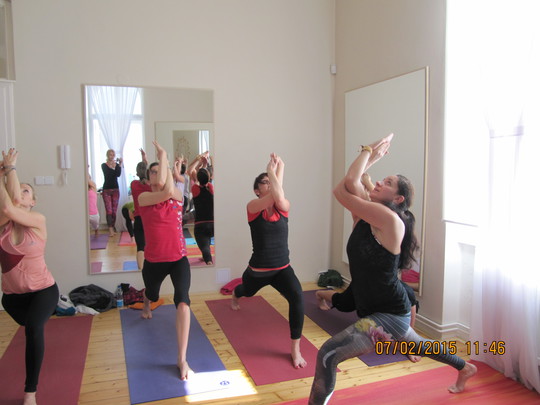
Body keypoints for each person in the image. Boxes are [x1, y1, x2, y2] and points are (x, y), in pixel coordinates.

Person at [308, 134, 476, 404]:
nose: (377, 183)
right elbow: (343, 188)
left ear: (398, 198)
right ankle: (464, 367)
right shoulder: (366, 214)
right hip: (377, 306)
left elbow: (348, 183)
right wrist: (370, 157)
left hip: (388, 313)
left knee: (327, 354)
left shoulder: (390, 220)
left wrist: (368, 151)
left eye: (386, 183)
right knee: (418, 344)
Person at [231, 153, 306, 369]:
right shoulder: (253, 207)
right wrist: (274, 171)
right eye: (265, 182)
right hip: (258, 271)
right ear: (257, 190)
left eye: (270, 180)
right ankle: (236, 294)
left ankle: (295, 348)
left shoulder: (283, 206)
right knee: (246, 291)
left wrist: (278, 168)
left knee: (297, 296)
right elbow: (274, 195)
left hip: (282, 269)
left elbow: (278, 195)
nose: (269, 183)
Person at [0, 148, 59, 405]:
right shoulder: (2, 223)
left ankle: (30, 393)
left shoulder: (37, 220)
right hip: (12, 299)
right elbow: (8, 205)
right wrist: (5, 175)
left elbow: (10, 203)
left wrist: (9, 170)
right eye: (19, 189)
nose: (21, 193)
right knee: (32, 328)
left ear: (33, 201)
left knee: (34, 329)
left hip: (44, 291)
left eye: (27, 191)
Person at [138, 140, 192, 380]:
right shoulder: (143, 198)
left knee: (183, 302)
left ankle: (182, 359)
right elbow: (165, 190)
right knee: (152, 294)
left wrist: (166, 162)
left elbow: (170, 189)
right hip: (154, 261)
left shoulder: (177, 195)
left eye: (160, 170)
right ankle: (146, 301)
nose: (157, 174)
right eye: (153, 171)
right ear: (148, 178)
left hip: (179, 259)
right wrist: (163, 156)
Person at [187, 152, 214, 265]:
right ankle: (207, 258)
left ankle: (208, 260)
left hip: (200, 224)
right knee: (207, 243)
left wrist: (201, 163)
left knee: (204, 246)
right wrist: (205, 165)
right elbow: (205, 180)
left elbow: (199, 179)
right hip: (212, 224)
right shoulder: (210, 188)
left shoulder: (195, 189)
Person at [130, 148, 151, 270]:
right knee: (151, 246)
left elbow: (143, 173)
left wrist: (143, 159)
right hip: (150, 219)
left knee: (140, 247)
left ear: (137, 173)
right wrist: (145, 159)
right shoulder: (150, 186)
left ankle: (141, 271)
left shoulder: (133, 184)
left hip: (138, 219)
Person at [101, 149, 122, 237]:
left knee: (114, 210)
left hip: (115, 189)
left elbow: (118, 175)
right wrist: (113, 166)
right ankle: (110, 229)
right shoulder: (104, 165)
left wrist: (119, 165)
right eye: (110, 154)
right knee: (109, 210)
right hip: (106, 190)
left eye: (113, 154)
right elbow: (108, 174)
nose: (112, 156)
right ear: (107, 155)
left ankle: (112, 227)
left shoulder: (116, 165)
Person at [87, 172, 100, 237]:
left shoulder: (93, 187)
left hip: (94, 213)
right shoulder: (83, 189)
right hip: (86, 213)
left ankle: (96, 230)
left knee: (96, 225)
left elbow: (88, 180)